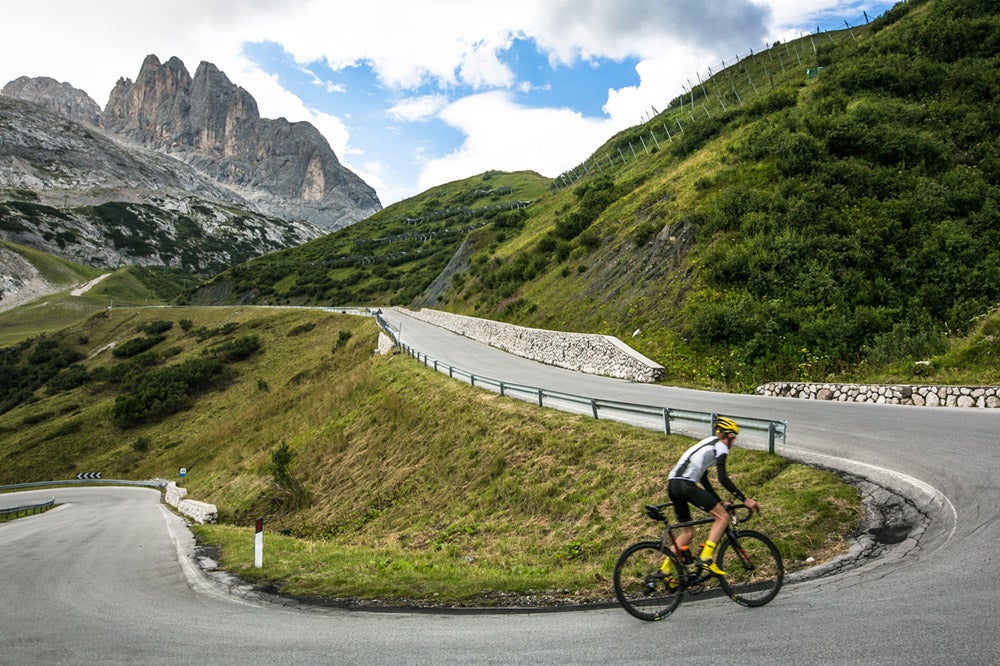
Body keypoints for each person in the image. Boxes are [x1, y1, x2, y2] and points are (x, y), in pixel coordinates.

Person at [660, 417, 759, 579]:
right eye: (733, 438)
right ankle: (706, 557)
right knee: (723, 517)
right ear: (728, 436)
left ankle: (665, 571)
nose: (733, 442)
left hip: (672, 485)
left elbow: (704, 479)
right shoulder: (721, 446)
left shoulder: (707, 443)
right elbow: (723, 478)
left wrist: (718, 501)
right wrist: (744, 499)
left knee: (687, 532)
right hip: (686, 485)